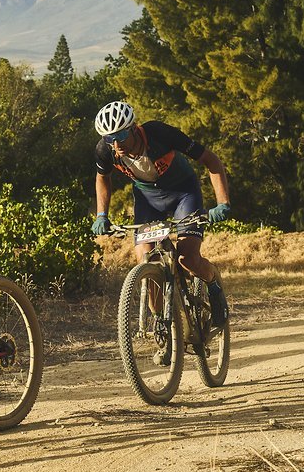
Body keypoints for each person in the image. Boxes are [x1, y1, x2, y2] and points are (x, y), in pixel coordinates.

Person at [90, 100, 231, 331]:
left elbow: (210, 159)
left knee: (188, 260)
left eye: (122, 134)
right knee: (147, 260)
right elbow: (102, 177)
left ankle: (213, 284)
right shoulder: (105, 150)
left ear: (134, 127)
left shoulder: (160, 133)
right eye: (110, 138)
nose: (117, 144)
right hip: (148, 201)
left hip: (184, 193)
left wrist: (222, 203)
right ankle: (162, 326)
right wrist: (101, 215)